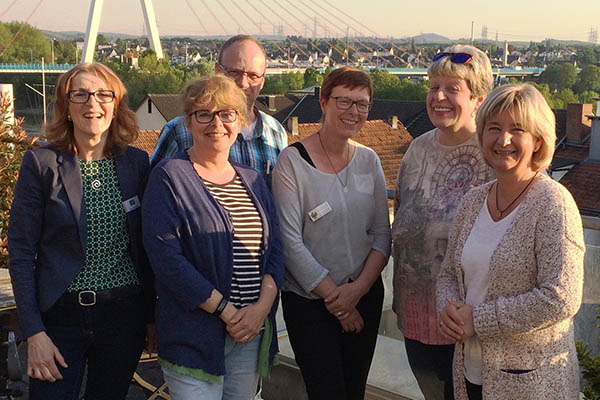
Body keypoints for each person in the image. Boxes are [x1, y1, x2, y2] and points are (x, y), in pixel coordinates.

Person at [8, 62, 154, 399]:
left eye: (104, 94)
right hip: (60, 319)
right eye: (81, 94)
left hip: (123, 316)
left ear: (116, 105)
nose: (93, 103)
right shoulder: (41, 164)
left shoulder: (136, 163)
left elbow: (146, 248)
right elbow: (20, 252)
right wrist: (34, 332)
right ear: (66, 107)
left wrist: (150, 317)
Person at [437, 83, 584, 400]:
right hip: (470, 371)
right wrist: (447, 310)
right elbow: (449, 272)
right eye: (494, 128)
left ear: (538, 141)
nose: (503, 140)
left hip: (530, 383)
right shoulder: (473, 200)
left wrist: (477, 319)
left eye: (517, 130)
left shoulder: (553, 204)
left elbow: (562, 296)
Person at [142, 74, 284, 400]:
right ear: (188, 123)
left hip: (250, 334)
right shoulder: (170, 176)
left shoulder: (252, 179)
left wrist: (261, 309)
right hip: (195, 334)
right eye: (203, 114)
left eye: (226, 114)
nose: (216, 123)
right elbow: (166, 259)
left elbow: (274, 249)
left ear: (239, 120)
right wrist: (228, 313)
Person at [272, 66, 391, 400]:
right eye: (344, 101)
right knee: (325, 392)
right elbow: (291, 242)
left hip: (364, 297)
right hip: (310, 304)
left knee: (353, 391)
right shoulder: (291, 163)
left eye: (362, 104)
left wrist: (358, 290)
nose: (353, 111)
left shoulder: (370, 160)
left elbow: (382, 233)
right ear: (323, 101)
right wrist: (337, 301)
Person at [391, 44, 494, 400]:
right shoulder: (416, 149)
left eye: (453, 89)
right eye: (434, 86)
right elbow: (402, 216)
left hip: (465, 325)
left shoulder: (494, 156)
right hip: (414, 314)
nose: (439, 97)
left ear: (478, 97)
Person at [150, 35, 287, 186]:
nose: (243, 83)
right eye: (234, 72)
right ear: (217, 71)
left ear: (262, 81)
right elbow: (153, 190)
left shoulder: (276, 133)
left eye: (253, 76)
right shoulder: (179, 132)